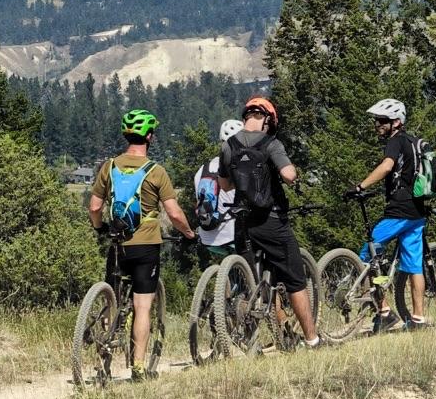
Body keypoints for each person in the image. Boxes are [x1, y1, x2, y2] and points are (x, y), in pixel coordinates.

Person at [89, 107, 197, 380]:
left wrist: (100, 227)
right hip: (146, 245)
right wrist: (189, 234)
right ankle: (138, 368)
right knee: (142, 306)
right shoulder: (156, 171)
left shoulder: (109, 167)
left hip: (116, 244)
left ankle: (104, 354)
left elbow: (94, 207)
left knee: (111, 297)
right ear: (150, 137)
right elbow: (173, 213)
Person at [217, 97, 321, 349]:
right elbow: (288, 175)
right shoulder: (271, 143)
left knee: (254, 282)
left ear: (245, 117)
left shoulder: (228, 146)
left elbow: (224, 185)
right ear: (267, 120)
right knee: (295, 280)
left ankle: (269, 337)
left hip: (242, 223)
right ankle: (312, 339)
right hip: (271, 220)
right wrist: (289, 172)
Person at [354, 97, 431, 331]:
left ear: (396, 122)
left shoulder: (395, 141)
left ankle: (385, 312)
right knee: (414, 265)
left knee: (367, 253)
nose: (377, 124)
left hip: (399, 212)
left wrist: (361, 186)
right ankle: (418, 319)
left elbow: (387, 166)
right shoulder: (414, 142)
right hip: (417, 211)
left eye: (381, 120)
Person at [191, 118, 243, 273]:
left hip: (208, 236)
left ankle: (230, 293)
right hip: (232, 235)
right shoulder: (239, 168)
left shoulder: (203, 169)